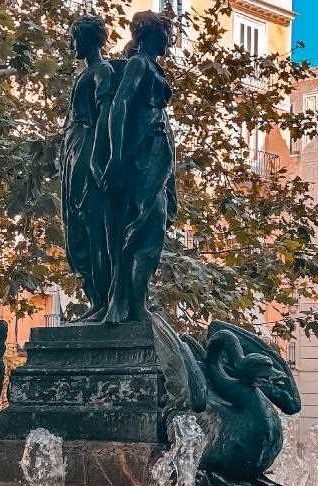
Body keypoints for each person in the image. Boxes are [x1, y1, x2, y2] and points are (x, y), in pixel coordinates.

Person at [99, 10, 177, 324]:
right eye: (165, 33)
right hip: (141, 152)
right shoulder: (139, 64)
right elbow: (119, 105)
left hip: (157, 153)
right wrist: (117, 158)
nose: (169, 39)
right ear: (149, 34)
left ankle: (135, 302)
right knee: (145, 227)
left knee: (152, 227)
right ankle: (130, 304)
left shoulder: (151, 67)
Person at [61, 16, 116, 321]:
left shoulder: (103, 72)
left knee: (94, 228)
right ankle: (95, 299)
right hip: (72, 152)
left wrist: (98, 159)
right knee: (77, 228)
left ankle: (103, 301)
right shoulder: (84, 75)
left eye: (76, 38)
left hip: (86, 150)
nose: (73, 44)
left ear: (90, 40)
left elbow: (107, 118)